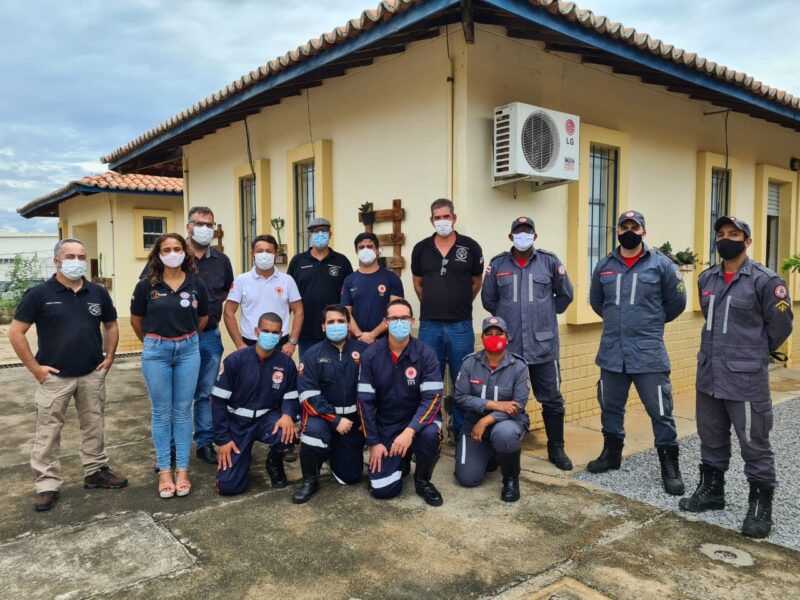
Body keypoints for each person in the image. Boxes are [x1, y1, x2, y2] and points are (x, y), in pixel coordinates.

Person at [680, 216, 793, 539]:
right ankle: (712, 491)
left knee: (754, 443)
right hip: (709, 375)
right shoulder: (707, 279)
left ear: (747, 241)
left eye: (733, 234)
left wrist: (753, 353)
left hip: (745, 380)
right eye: (720, 234)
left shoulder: (765, 281)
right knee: (711, 437)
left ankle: (760, 506)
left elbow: (781, 326)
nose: (725, 239)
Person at [8, 238, 127, 512]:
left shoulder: (97, 293)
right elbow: (15, 332)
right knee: (48, 431)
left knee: (94, 425)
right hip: (54, 378)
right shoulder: (38, 294)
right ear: (56, 261)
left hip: (91, 374)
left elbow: (111, 325)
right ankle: (47, 484)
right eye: (70, 256)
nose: (77, 261)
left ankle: (95, 471)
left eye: (81, 256)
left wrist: (109, 356)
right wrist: (36, 369)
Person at [588, 210, 687, 495]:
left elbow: (676, 303)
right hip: (612, 352)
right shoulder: (604, 266)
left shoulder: (662, 265)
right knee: (610, 406)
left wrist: (648, 323)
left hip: (648, 353)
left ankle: (670, 467)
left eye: (635, 226)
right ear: (617, 230)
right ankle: (611, 454)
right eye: (624, 226)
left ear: (644, 231)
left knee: (660, 411)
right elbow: (598, 303)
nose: (629, 230)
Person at [481, 216, 574, 470]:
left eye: (528, 231)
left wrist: (544, 314)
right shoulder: (498, 264)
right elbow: (489, 301)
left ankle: (556, 449)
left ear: (535, 235)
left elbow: (566, 294)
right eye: (518, 232)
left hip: (543, 346)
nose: (523, 236)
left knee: (552, 399)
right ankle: (499, 450)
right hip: (508, 349)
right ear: (510, 237)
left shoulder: (549, 261)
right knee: (503, 397)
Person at [131, 233, 209, 498]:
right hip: (156, 351)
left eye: (177, 248)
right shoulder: (146, 285)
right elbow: (136, 320)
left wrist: (182, 339)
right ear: (158, 254)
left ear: (185, 253)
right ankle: (165, 470)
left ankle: (183, 470)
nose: (173, 253)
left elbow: (203, 318)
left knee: (183, 411)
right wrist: (156, 342)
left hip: (188, 350)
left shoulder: (196, 283)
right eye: (167, 249)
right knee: (162, 411)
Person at [357, 298, 444, 506]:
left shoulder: (426, 354)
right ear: (385, 322)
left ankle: (422, 480)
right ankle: (401, 462)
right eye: (394, 318)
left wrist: (410, 431)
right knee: (382, 490)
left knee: (432, 434)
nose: (399, 323)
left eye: (404, 318)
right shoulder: (370, 355)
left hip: (418, 423)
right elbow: (364, 402)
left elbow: (432, 400)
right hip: (386, 424)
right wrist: (374, 442)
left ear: (412, 320)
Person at [411, 199, 483, 439]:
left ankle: (460, 429)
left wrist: (458, 303)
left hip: (460, 325)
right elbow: (418, 284)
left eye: (446, 216)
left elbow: (476, 283)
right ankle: (432, 427)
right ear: (431, 220)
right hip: (430, 325)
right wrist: (435, 303)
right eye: (437, 217)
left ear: (454, 217)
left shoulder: (470, 247)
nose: (442, 221)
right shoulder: (421, 248)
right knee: (430, 378)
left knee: (463, 378)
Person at [211, 312, 299, 495]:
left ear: (281, 334)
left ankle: (274, 464)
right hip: (238, 423)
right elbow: (218, 401)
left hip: (266, 419)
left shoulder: (286, 363)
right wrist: (223, 439)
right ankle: (240, 462)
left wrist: (287, 414)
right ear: (257, 332)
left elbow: (291, 395)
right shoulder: (235, 360)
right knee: (229, 487)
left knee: (287, 432)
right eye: (265, 331)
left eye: (275, 333)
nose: (270, 336)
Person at [292, 305, 368, 503]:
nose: (336, 325)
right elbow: (308, 397)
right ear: (323, 327)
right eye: (331, 322)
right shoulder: (312, 354)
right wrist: (334, 419)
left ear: (348, 324)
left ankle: (333, 455)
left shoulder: (364, 352)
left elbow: (373, 390)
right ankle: (310, 479)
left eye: (341, 321)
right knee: (314, 436)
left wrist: (362, 420)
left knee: (350, 477)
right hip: (323, 417)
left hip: (352, 421)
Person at [454, 317, 530, 502]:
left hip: (507, 422)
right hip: (473, 425)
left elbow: (518, 405)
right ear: (482, 337)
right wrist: (493, 405)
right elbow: (461, 397)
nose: (493, 337)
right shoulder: (469, 363)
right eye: (488, 333)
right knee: (467, 478)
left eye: (499, 333)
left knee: (504, 433)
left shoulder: (518, 366)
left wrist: (486, 420)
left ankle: (511, 479)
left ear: (507, 337)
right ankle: (490, 455)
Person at [183, 206, 234, 465]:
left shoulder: (222, 261)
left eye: (209, 224)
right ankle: (173, 446)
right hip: (179, 338)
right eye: (199, 223)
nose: (204, 228)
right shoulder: (173, 256)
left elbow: (226, 290)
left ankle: (204, 442)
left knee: (206, 392)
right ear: (188, 226)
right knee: (178, 394)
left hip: (210, 336)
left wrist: (209, 308)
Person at [224, 234, 303, 354]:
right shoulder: (241, 280)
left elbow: (299, 311)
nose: (264, 254)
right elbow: (228, 312)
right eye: (260, 251)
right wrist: (239, 343)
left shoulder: (287, 280)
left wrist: (292, 342)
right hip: (250, 342)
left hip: (279, 342)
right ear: (252, 254)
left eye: (269, 251)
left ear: (276, 254)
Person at [287, 218, 353, 358]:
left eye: (324, 231)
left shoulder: (342, 261)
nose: (320, 234)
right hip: (306, 330)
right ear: (309, 235)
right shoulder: (298, 261)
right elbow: (288, 296)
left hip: (336, 328)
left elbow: (350, 296)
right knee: (308, 372)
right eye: (315, 232)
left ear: (330, 235)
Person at [341, 232, 404, 344]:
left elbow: (396, 312)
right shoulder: (349, 280)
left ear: (377, 250)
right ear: (356, 252)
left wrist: (373, 334)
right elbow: (345, 312)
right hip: (357, 341)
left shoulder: (392, 278)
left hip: (386, 341)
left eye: (370, 246)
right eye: (361, 247)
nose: (365, 250)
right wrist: (359, 335)